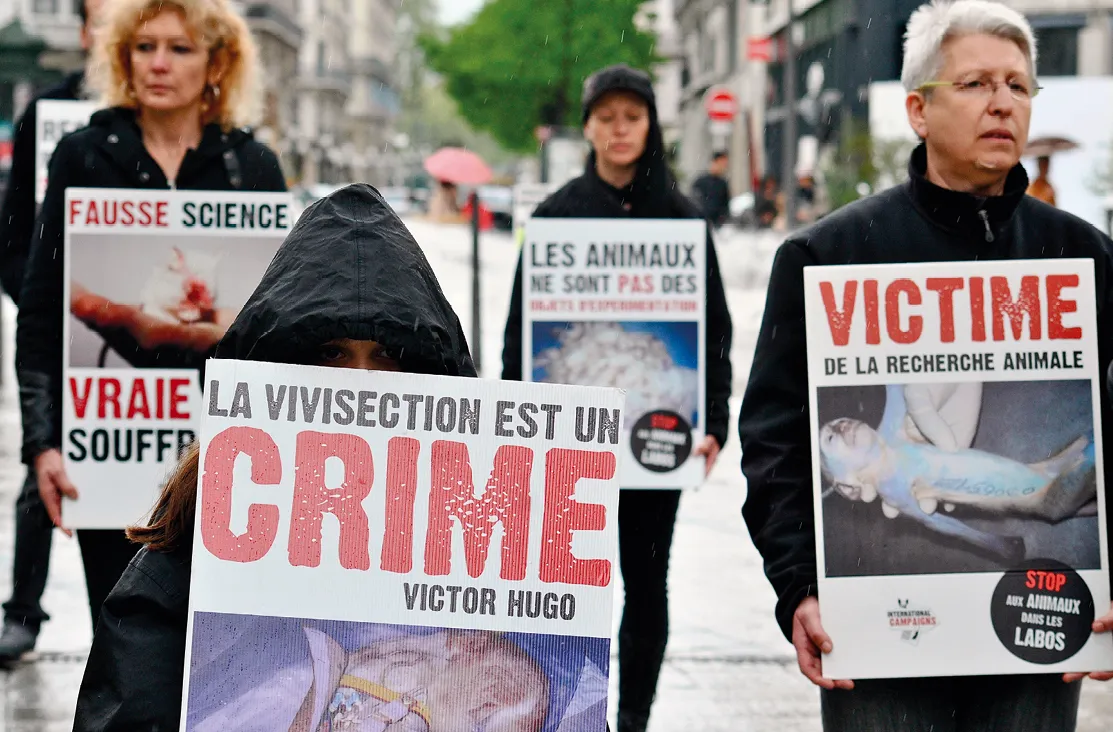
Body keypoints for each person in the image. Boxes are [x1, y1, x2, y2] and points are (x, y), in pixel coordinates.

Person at [737, 1, 1113, 730]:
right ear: (917, 109)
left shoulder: (1083, 256)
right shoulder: (826, 257)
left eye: (1017, 84)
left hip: (1034, 633)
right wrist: (797, 589)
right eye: (975, 83)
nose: (1002, 102)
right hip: (877, 640)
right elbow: (775, 439)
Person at [71, 183, 476, 731]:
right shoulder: (197, 540)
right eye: (330, 354)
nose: (358, 384)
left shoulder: (478, 533)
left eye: (387, 356)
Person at [15, 0, 286, 635]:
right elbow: (43, 308)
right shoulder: (83, 156)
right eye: (145, 47)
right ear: (122, 56)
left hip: (220, 455)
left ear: (217, 63)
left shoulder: (253, 168)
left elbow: (279, 322)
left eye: (180, 48)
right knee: (120, 641)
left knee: (210, 646)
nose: (158, 64)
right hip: (108, 457)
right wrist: (42, 443)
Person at [500, 63, 734, 732]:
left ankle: (633, 717)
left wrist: (712, 420)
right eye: (606, 118)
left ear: (649, 124)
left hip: (655, 436)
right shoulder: (555, 214)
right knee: (571, 583)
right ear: (587, 129)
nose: (619, 129)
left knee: (645, 580)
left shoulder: (682, 215)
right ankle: (574, 706)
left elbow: (713, 328)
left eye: (632, 117)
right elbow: (522, 327)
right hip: (571, 439)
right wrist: (516, 417)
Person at [0, 0, 108, 663]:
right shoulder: (50, 113)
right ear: (85, 30)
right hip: (66, 335)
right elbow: (14, 235)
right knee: (44, 472)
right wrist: (41, 303)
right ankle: (23, 607)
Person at [691, 150, 731, 228]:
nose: (724, 167)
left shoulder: (723, 184)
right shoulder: (700, 182)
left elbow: (725, 207)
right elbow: (695, 202)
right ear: (715, 162)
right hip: (701, 223)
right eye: (723, 164)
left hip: (717, 226)